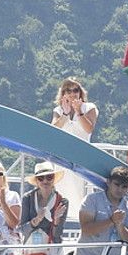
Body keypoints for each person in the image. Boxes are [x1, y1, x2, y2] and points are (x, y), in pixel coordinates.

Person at [74, 166, 128, 255]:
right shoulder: (91, 199)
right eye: (117, 184)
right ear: (108, 182)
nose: (120, 189)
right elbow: (86, 229)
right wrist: (111, 221)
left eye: (124, 186)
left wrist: (119, 225)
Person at [50, 77, 98, 209]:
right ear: (63, 93)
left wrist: (78, 111)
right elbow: (53, 129)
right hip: (62, 157)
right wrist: (65, 114)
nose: (72, 93)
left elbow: (88, 129)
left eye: (75, 90)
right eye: (68, 90)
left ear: (80, 92)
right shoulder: (58, 110)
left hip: (82, 156)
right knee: (61, 193)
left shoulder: (89, 108)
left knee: (81, 193)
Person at [18, 161, 68, 255]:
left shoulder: (62, 201)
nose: (45, 181)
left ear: (54, 179)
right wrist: (36, 220)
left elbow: (57, 235)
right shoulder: (28, 198)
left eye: (49, 177)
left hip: (52, 250)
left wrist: (56, 220)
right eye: (41, 178)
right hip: (31, 249)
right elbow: (22, 229)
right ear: (36, 181)